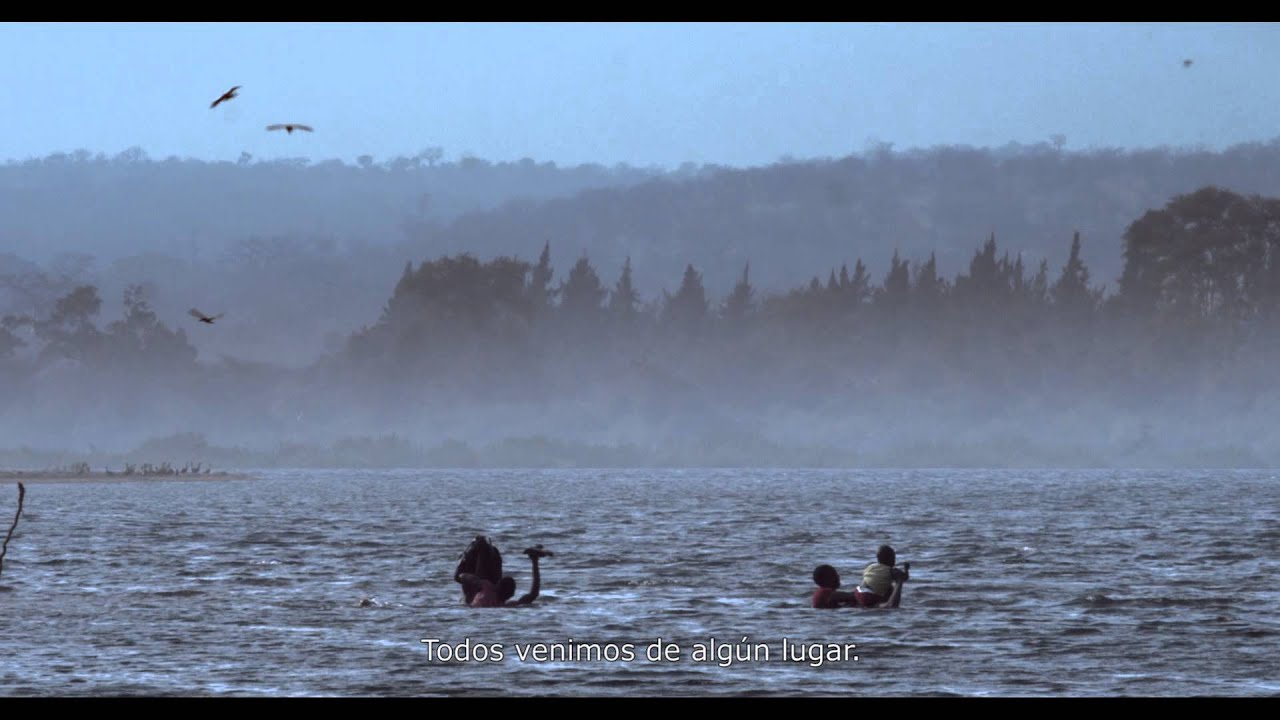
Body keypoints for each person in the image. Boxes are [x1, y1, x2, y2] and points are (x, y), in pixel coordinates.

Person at [453, 535, 552, 608]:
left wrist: (470, 578)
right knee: (487, 550)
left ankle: (480, 545)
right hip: (479, 589)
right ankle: (483, 545)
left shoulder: (486, 587)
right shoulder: (507, 606)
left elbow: (462, 576)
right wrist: (535, 562)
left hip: (476, 589)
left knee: (484, 548)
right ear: (511, 595)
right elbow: (533, 595)